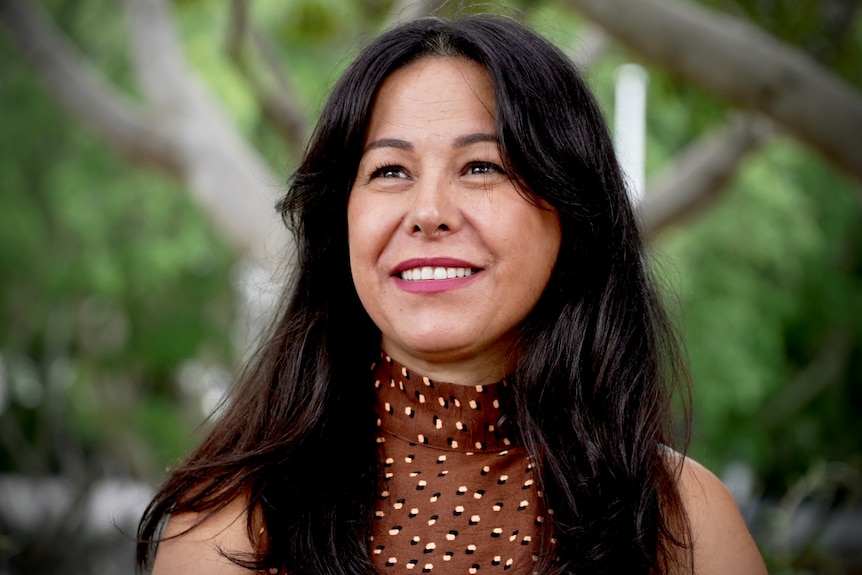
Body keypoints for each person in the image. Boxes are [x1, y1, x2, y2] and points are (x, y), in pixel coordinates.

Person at [136, 14, 768, 575]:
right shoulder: (229, 526)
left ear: (572, 214)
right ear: (341, 223)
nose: (429, 211)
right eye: (390, 171)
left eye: (482, 167)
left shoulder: (682, 517)